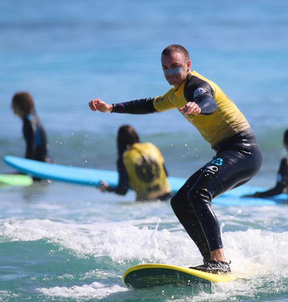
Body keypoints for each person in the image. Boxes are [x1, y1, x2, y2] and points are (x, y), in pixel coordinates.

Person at [88, 44, 262, 273]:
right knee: (180, 201)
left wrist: (199, 107)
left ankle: (219, 262)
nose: (170, 73)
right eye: (165, 68)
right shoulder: (176, 95)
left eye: (175, 67)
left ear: (188, 66)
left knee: (199, 194)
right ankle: (211, 261)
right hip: (229, 153)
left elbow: (207, 101)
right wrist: (110, 108)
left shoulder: (197, 86)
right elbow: (148, 105)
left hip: (243, 151)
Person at [99, 125, 172, 202]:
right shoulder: (152, 147)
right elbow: (166, 174)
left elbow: (123, 190)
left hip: (147, 203)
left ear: (120, 141)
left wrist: (108, 188)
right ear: (136, 136)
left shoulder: (124, 158)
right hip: (168, 197)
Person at [11, 91, 52, 163]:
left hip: (40, 164)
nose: (11, 107)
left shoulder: (29, 122)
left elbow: (31, 146)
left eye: (13, 104)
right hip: (45, 161)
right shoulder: (34, 117)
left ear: (19, 106)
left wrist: (25, 167)